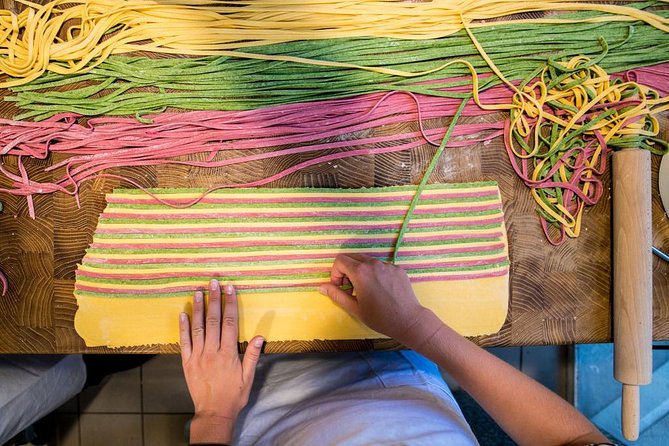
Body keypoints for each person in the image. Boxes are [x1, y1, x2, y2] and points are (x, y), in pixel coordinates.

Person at [179, 254, 611, 446]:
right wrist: (416, 326)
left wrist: (214, 415)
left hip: (266, 400)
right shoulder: (410, 334)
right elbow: (575, 439)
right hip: (407, 367)